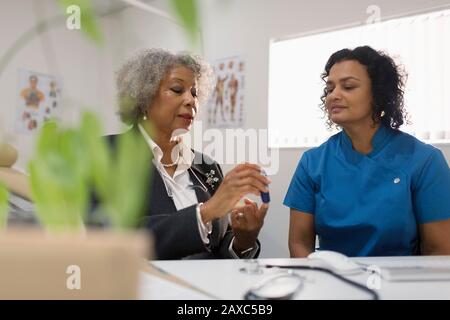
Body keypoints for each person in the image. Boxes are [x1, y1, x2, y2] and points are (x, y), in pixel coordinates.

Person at [284, 46, 450, 257]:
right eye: (330, 88)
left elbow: (439, 251)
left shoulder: (424, 161)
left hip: (399, 285)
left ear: (378, 94)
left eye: (348, 86)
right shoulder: (312, 162)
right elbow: (299, 244)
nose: (334, 95)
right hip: (330, 282)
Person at [110, 48, 269, 260]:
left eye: (194, 93)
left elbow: (219, 247)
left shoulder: (207, 166)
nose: (190, 100)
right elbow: (114, 237)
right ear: (144, 97)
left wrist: (243, 240)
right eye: (177, 89)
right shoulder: (109, 154)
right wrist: (204, 213)